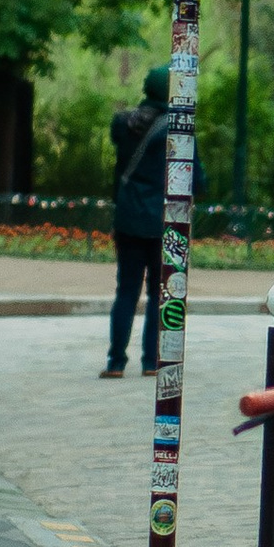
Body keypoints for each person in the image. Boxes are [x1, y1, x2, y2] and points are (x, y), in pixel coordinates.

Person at [104, 65, 173, 379]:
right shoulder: (177, 130)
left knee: (126, 291)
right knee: (160, 294)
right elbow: (196, 179)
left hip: (128, 219)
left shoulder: (123, 123)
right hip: (163, 222)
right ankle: (150, 362)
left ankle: (116, 362)